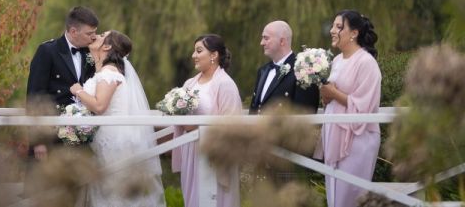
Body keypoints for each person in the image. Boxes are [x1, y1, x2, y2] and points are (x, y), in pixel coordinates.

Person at [69, 30, 165, 207]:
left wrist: (78, 91)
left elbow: (99, 106)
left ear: (106, 46)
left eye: (102, 35)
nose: (96, 36)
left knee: (114, 193)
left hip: (113, 142)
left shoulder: (110, 73)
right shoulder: (104, 71)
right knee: (107, 191)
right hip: (106, 139)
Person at [316, 10, 382, 207]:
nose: (332, 31)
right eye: (333, 26)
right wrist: (326, 95)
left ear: (353, 33)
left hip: (356, 139)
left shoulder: (366, 62)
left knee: (351, 195)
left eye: (338, 27)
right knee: (334, 196)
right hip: (334, 133)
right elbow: (332, 98)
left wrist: (333, 93)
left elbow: (365, 105)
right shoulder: (336, 61)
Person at [171, 34, 242, 207]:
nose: (193, 55)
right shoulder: (189, 84)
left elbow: (232, 124)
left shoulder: (225, 84)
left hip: (213, 154)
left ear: (214, 55)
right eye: (194, 51)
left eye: (199, 50)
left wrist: (196, 127)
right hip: (191, 151)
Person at [26, 6, 98, 160]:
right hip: (51, 134)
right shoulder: (47, 51)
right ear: (73, 31)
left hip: (82, 136)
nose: (94, 37)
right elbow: (35, 97)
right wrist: (38, 140)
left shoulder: (91, 53)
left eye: (95, 33)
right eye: (89, 33)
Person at [249, 20, 320, 114]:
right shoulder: (263, 71)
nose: (261, 43)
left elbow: (305, 117)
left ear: (282, 41)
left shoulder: (304, 71)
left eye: (266, 38)